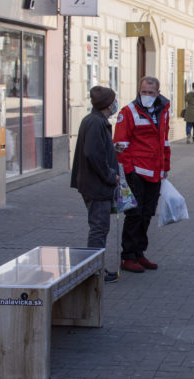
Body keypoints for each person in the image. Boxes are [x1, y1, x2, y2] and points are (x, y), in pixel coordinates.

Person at [113, 76, 171, 273]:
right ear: (139, 91)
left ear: (158, 92)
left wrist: (165, 168)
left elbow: (164, 141)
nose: (146, 96)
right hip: (136, 172)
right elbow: (120, 145)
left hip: (155, 172)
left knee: (147, 214)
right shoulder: (128, 112)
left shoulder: (163, 111)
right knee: (134, 215)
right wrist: (128, 172)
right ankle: (127, 256)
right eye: (143, 92)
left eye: (150, 93)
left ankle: (139, 253)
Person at [70, 86, 120, 283]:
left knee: (100, 228)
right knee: (99, 228)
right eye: (114, 101)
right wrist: (110, 175)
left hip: (95, 183)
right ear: (109, 104)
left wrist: (112, 149)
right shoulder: (95, 123)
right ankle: (93, 271)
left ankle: (94, 269)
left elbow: (97, 150)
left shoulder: (97, 121)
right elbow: (93, 154)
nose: (116, 104)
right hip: (96, 185)